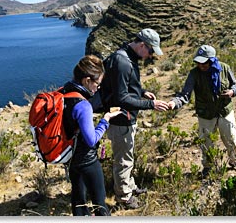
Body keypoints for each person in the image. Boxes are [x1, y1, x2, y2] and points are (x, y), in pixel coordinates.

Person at [92, 28, 169, 209]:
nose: (150, 56)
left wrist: (142, 92)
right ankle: (124, 198)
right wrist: (151, 105)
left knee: (127, 155)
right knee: (123, 160)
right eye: (150, 51)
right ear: (142, 45)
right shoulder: (124, 62)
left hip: (123, 118)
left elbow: (123, 86)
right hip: (121, 120)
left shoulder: (125, 56)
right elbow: (121, 98)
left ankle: (130, 186)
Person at [168, 45, 236, 177]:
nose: (201, 65)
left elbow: (234, 85)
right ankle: (208, 167)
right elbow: (185, 94)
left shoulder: (224, 68)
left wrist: (232, 92)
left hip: (225, 111)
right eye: (198, 62)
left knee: (231, 138)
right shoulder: (194, 74)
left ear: (212, 60)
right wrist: (174, 103)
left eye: (204, 62)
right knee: (207, 142)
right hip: (206, 115)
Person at [61, 55, 122, 216]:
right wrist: (105, 120)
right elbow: (91, 140)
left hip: (70, 157)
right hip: (87, 160)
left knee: (78, 201)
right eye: (97, 84)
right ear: (87, 80)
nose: (97, 88)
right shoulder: (83, 105)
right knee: (99, 203)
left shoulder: (64, 92)